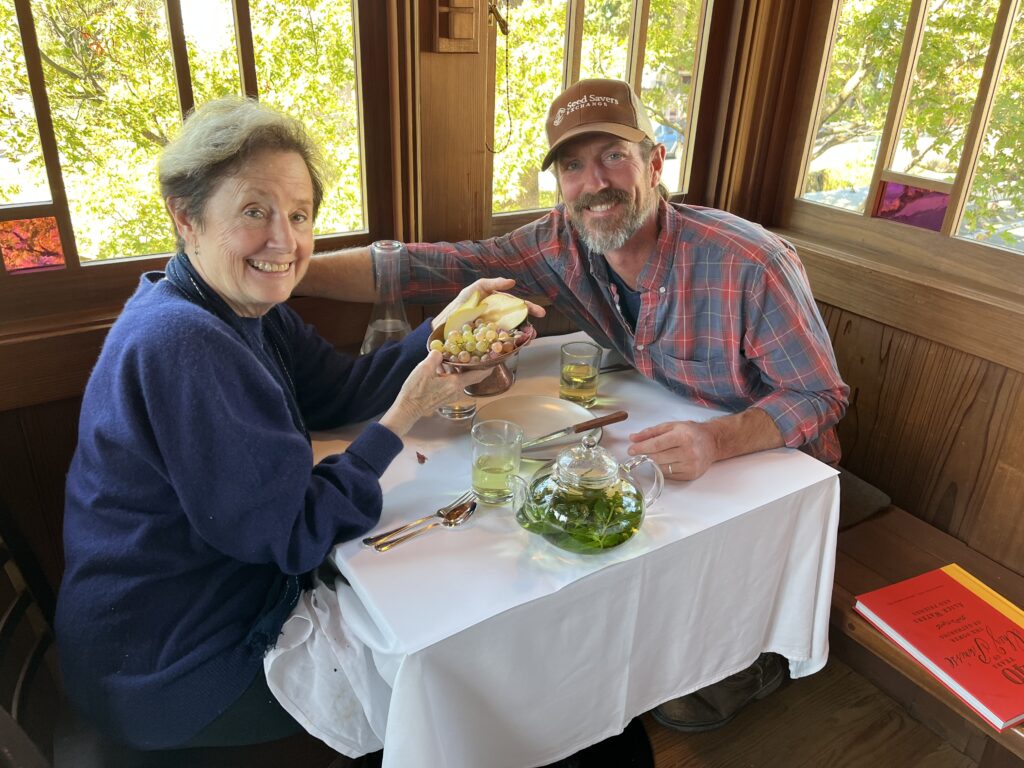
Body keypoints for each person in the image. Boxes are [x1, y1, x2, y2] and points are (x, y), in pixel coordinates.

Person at [295, 79, 850, 735]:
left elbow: (821, 396)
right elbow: (421, 268)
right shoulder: (558, 243)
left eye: (613, 156)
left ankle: (749, 658)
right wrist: (288, 268)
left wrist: (718, 441)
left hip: (778, 464)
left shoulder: (750, 261)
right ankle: (634, 674)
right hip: (671, 435)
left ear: (654, 163)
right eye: (572, 165)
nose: (595, 183)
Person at [54, 96, 500, 752]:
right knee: (447, 673)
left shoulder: (235, 306)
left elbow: (339, 391)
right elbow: (297, 534)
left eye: (299, 215)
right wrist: (407, 412)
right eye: (254, 212)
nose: (284, 242)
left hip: (191, 610)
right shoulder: (183, 340)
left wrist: (443, 332)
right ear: (187, 218)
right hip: (171, 669)